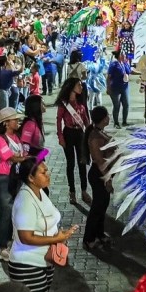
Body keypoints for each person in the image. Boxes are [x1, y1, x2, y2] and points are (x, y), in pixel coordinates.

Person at [9, 157, 78, 292]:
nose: (48, 174)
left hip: (43, 261)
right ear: (31, 178)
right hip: (27, 265)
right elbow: (25, 237)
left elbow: (47, 219)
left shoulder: (39, 192)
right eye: (43, 172)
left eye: (47, 171)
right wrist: (56, 238)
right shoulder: (25, 200)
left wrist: (60, 235)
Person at [0, 107, 30, 261]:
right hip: (2, 178)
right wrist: (26, 159)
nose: (17, 122)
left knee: (14, 211)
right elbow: (10, 157)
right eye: (15, 120)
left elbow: (21, 154)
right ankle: (2, 247)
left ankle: (9, 242)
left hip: (15, 177)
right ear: (6, 123)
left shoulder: (16, 137)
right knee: (6, 211)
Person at [55, 75, 90, 203]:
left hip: (80, 133)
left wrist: (89, 133)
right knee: (70, 164)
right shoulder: (64, 103)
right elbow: (58, 120)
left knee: (82, 162)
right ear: (72, 87)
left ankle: (84, 190)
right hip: (68, 133)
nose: (81, 87)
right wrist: (60, 137)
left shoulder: (81, 101)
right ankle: (72, 192)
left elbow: (85, 118)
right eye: (78, 85)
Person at [84, 106, 114, 250]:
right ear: (102, 119)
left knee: (103, 205)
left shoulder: (100, 132)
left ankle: (100, 233)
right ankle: (88, 238)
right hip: (99, 174)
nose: (109, 117)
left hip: (103, 173)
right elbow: (99, 160)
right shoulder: (95, 137)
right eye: (107, 115)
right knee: (97, 207)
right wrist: (107, 178)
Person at [106, 48, 130, 127]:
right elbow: (108, 77)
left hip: (124, 87)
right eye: (123, 54)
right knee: (117, 105)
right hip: (115, 88)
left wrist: (141, 72)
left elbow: (130, 71)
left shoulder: (125, 63)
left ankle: (124, 121)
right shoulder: (114, 64)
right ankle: (116, 122)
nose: (124, 55)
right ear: (119, 55)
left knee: (126, 104)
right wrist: (108, 88)